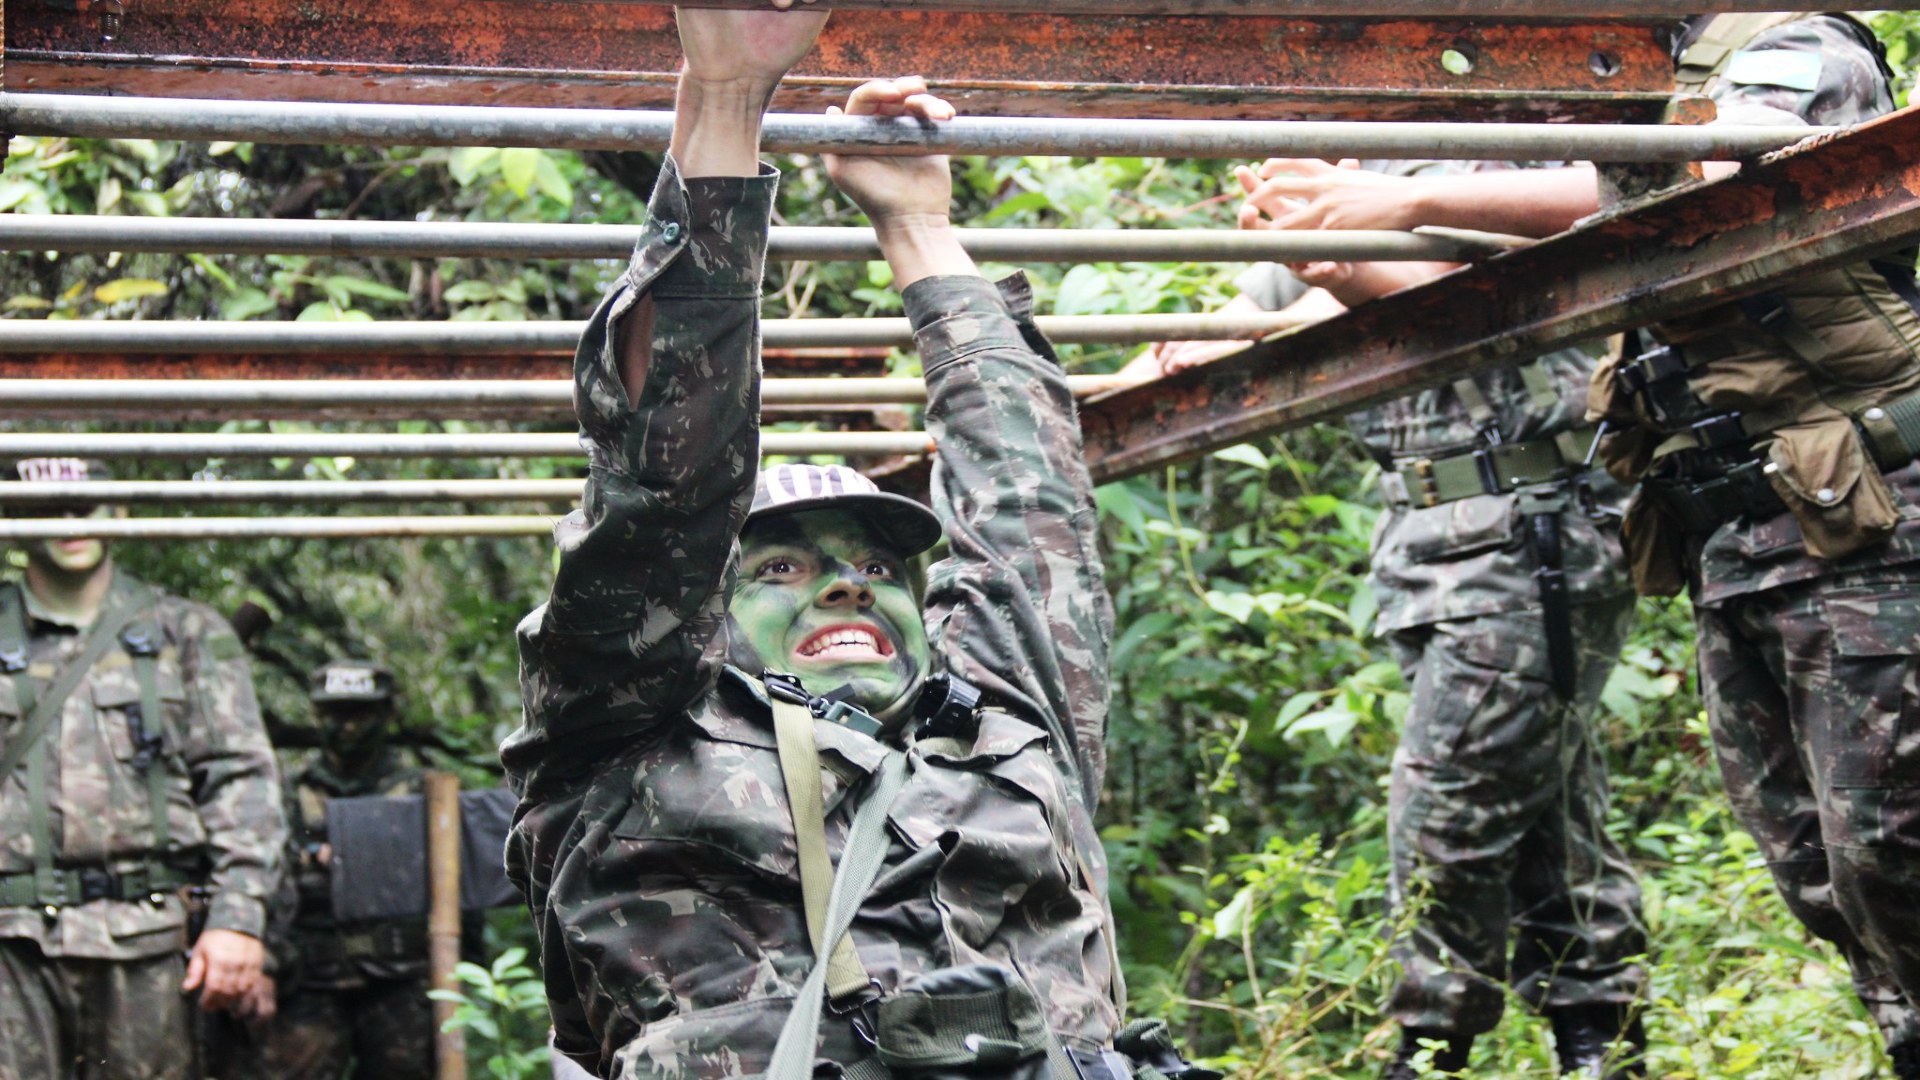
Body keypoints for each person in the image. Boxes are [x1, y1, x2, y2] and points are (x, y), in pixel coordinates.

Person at [501, 7, 1206, 1079]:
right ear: (704, 612)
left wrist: (920, 226)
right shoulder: (630, 732)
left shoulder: (1004, 725)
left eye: (878, 570)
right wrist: (729, 102)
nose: (847, 591)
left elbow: (1030, 502)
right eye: (782, 568)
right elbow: (663, 487)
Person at [1236, 14, 1920, 1075]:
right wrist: (1347, 244)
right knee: (1821, 866)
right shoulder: (1618, 87)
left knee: (1890, 851)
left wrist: (1409, 200)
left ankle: (1491, 1026)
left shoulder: (1785, 44)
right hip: (1738, 528)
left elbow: (1703, 176)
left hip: (1860, 517)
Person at [1138, 160, 1649, 1080]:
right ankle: (1600, 1034)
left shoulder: (1502, 177)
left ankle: (1430, 1043)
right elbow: (1216, 331)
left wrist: (1332, 267)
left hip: (1531, 532)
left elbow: (1473, 314)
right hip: (1426, 549)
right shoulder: (1337, 199)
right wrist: (1074, 387)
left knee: (1449, 800)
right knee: (1543, 799)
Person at [0, 457, 286, 1079]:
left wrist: (238, 920)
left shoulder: (184, 632)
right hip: (9, 947)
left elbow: (244, 782)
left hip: (150, 945)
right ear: (13, 517)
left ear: (120, 509)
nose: (71, 522)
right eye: (47, 507)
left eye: (88, 504)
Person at [220, 659, 470, 1079]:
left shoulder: (424, 791)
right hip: (308, 979)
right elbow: (263, 879)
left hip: (402, 981)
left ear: (387, 714)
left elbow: (457, 888)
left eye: (361, 714)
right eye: (336, 714)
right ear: (318, 717)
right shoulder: (288, 792)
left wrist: (463, 972)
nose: (348, 727)